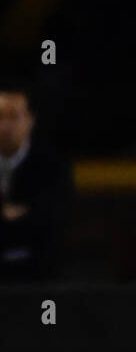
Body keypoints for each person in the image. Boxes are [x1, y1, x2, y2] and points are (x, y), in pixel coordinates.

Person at [0, 85, 71, 282]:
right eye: (0, 117)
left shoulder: (52, 168)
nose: (5, 126)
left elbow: (49, 226)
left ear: (30, 120)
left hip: (38, 281)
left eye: (13, 117)